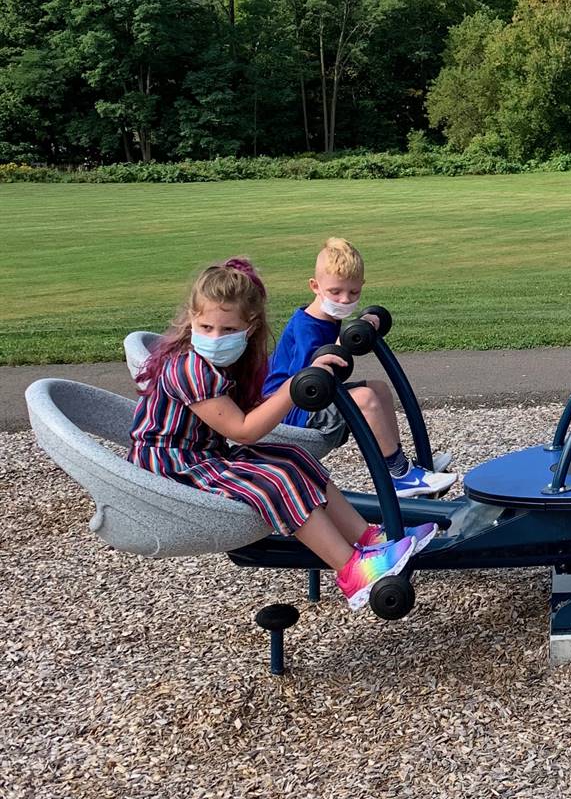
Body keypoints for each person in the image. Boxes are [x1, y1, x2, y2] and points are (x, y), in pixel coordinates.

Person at [131, 257, 436, 610]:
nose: (216, 338)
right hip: (172, 465)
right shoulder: (191, 368)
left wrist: (308, 372)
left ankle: (370, 538)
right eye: (206, 327)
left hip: (203, 454)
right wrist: (293, 387)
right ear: (191, 320)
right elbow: (243, 431)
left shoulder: (228, 362)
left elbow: (249, 410)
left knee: (292, 457)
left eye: (228, 331)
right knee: (275, 479)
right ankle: (351, 571)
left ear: (250, 327)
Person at [263, 236, 456, 494]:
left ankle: (396, 466)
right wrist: (343, 341)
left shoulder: (328, 318)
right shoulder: (305, 326)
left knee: (379, 388)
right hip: (290, 413)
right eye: (335, 292)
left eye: (353, 292)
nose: (344, 300)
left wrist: (365, 321)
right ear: (315, 286)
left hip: (311, 402)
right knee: (364, 397)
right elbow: (306, 382)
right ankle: (401, 476)